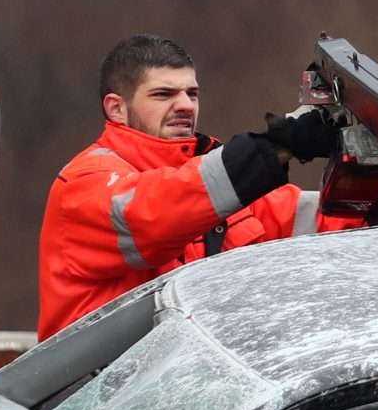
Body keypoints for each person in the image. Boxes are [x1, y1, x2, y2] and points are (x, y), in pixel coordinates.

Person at [38, 34, 341, 338]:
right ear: (116, 108)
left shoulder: (220, 183)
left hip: (182, 377)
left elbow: (326, 223)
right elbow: (157, 214)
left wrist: (373, 171)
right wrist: (280, 144)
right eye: (163, 94)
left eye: (192, 94)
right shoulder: (82, 184)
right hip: (102, 383)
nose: (185, 105)